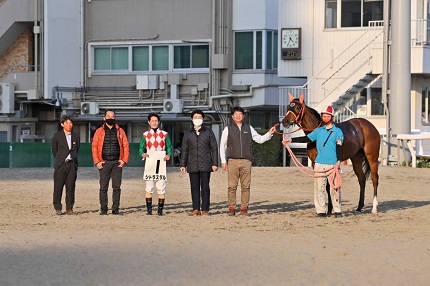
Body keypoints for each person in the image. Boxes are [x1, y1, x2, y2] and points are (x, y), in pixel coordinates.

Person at [282, 105, 344, 218]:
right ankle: (320, 210)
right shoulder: (318, 131)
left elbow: (339, 147)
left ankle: (337, 210)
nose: (325, 118)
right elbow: (307, 139)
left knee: (335, 188)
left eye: (327, 116)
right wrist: (291, 139)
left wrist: (339, 161)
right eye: (323, 116)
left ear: (331, 117)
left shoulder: (338, 131)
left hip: (333, 163)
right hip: (319, 162)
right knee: (319, 188)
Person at [220, 106, 276, 216]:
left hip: (246, 161)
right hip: (232, 161)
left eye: (240, 114)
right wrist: (223, 161)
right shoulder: (227, 129)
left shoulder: (249, 128)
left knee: (246, 186)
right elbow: (222, 145)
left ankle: (244, 208)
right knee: (232, 186)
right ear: (232, 116)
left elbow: (259, 139)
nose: (238, 116)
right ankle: (231, 208)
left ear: (243, 116)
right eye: (236, 114)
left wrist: (269, 133)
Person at [180, 110, 218, 216]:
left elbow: (214, 148)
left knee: (205, 187)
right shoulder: (188, 133)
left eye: (199, 117)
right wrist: (183, 164)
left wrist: (214, 163)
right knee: (194, 187)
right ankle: (196, 208)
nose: (197, 119)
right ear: (192, 119)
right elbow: (184, 149)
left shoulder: (208, 131)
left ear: (203, 118)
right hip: (192, 164)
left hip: (206, 163)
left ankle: (205, 209)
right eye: (195, 117)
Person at [92, 110, 130, 215]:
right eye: (108, 116)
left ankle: (115, 209)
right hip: (104, 163)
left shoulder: (120, 131)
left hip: (117, 163)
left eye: (112, 116)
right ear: (104, 118)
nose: (110, 118)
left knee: (116, 187)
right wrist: (97, 162)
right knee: (103, 187)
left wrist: (124, 160)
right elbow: (94, 147)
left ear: (115, 118)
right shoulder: (99, 131)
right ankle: (103, 209)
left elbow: (126, 146)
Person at [139, 113, 172, 216]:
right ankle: (149, 210)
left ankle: (160, 211)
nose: (154, 122)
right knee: (149, 186)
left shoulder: (164, 134)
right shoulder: (145, 134)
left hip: (161, 162)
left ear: (159, 122)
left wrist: (168, 155)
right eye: (152, 121)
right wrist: (142, 153)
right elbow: (141, 147)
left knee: (161, 185)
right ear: (149, 122)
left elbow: (169, 147)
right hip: (149, 162)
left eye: (156, 121)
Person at [51, 115, 80, 215]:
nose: (69, 125)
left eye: (71, 123)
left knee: (71, 187)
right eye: (67, 123)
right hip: (61, 164)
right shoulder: (57, 136)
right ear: (62, 124)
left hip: (72, 164)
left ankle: (69, 208)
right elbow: (55, 150)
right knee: (58, 187)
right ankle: (58, 207)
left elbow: (77, 149)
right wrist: (60, 160)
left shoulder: (76, 136)